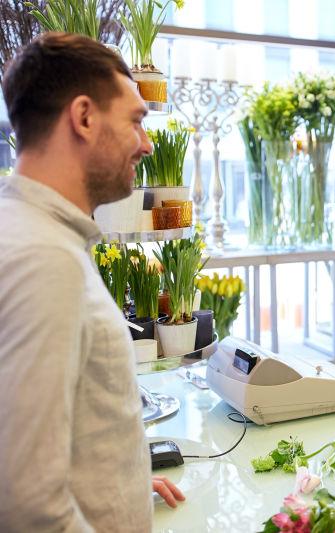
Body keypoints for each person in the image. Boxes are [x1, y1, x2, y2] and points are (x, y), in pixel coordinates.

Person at [0, 33, 184, 531]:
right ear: (83, 118)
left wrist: (110, 475)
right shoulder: (44, 259)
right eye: (135, 121)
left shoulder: (28, 233)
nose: (146, 144)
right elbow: (28, 503)